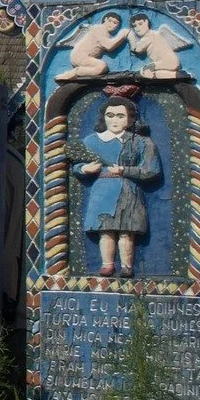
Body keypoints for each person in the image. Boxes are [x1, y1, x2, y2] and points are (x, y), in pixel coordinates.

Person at [73, 91, 160, 276]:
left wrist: (124, 171)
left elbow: (152, 170)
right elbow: (76, 164)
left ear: (130, 119)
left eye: (120, 115)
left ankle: (127, 266)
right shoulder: (91, 141)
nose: (114, 120)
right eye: (110, 115)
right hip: (102, 192)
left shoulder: (140, 142)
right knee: (106, 230)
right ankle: (107, 264)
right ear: (103, 117)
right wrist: (84, 169)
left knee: (127, 230)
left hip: (128, 191)